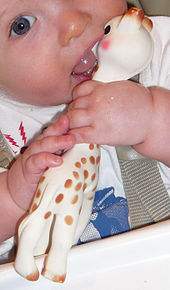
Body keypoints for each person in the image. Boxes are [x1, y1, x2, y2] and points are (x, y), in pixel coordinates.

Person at [0, 0, 169, 262]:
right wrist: (11, 197)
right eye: (22, 26)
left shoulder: (161, 52)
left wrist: (156, 119)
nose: (73, 25)